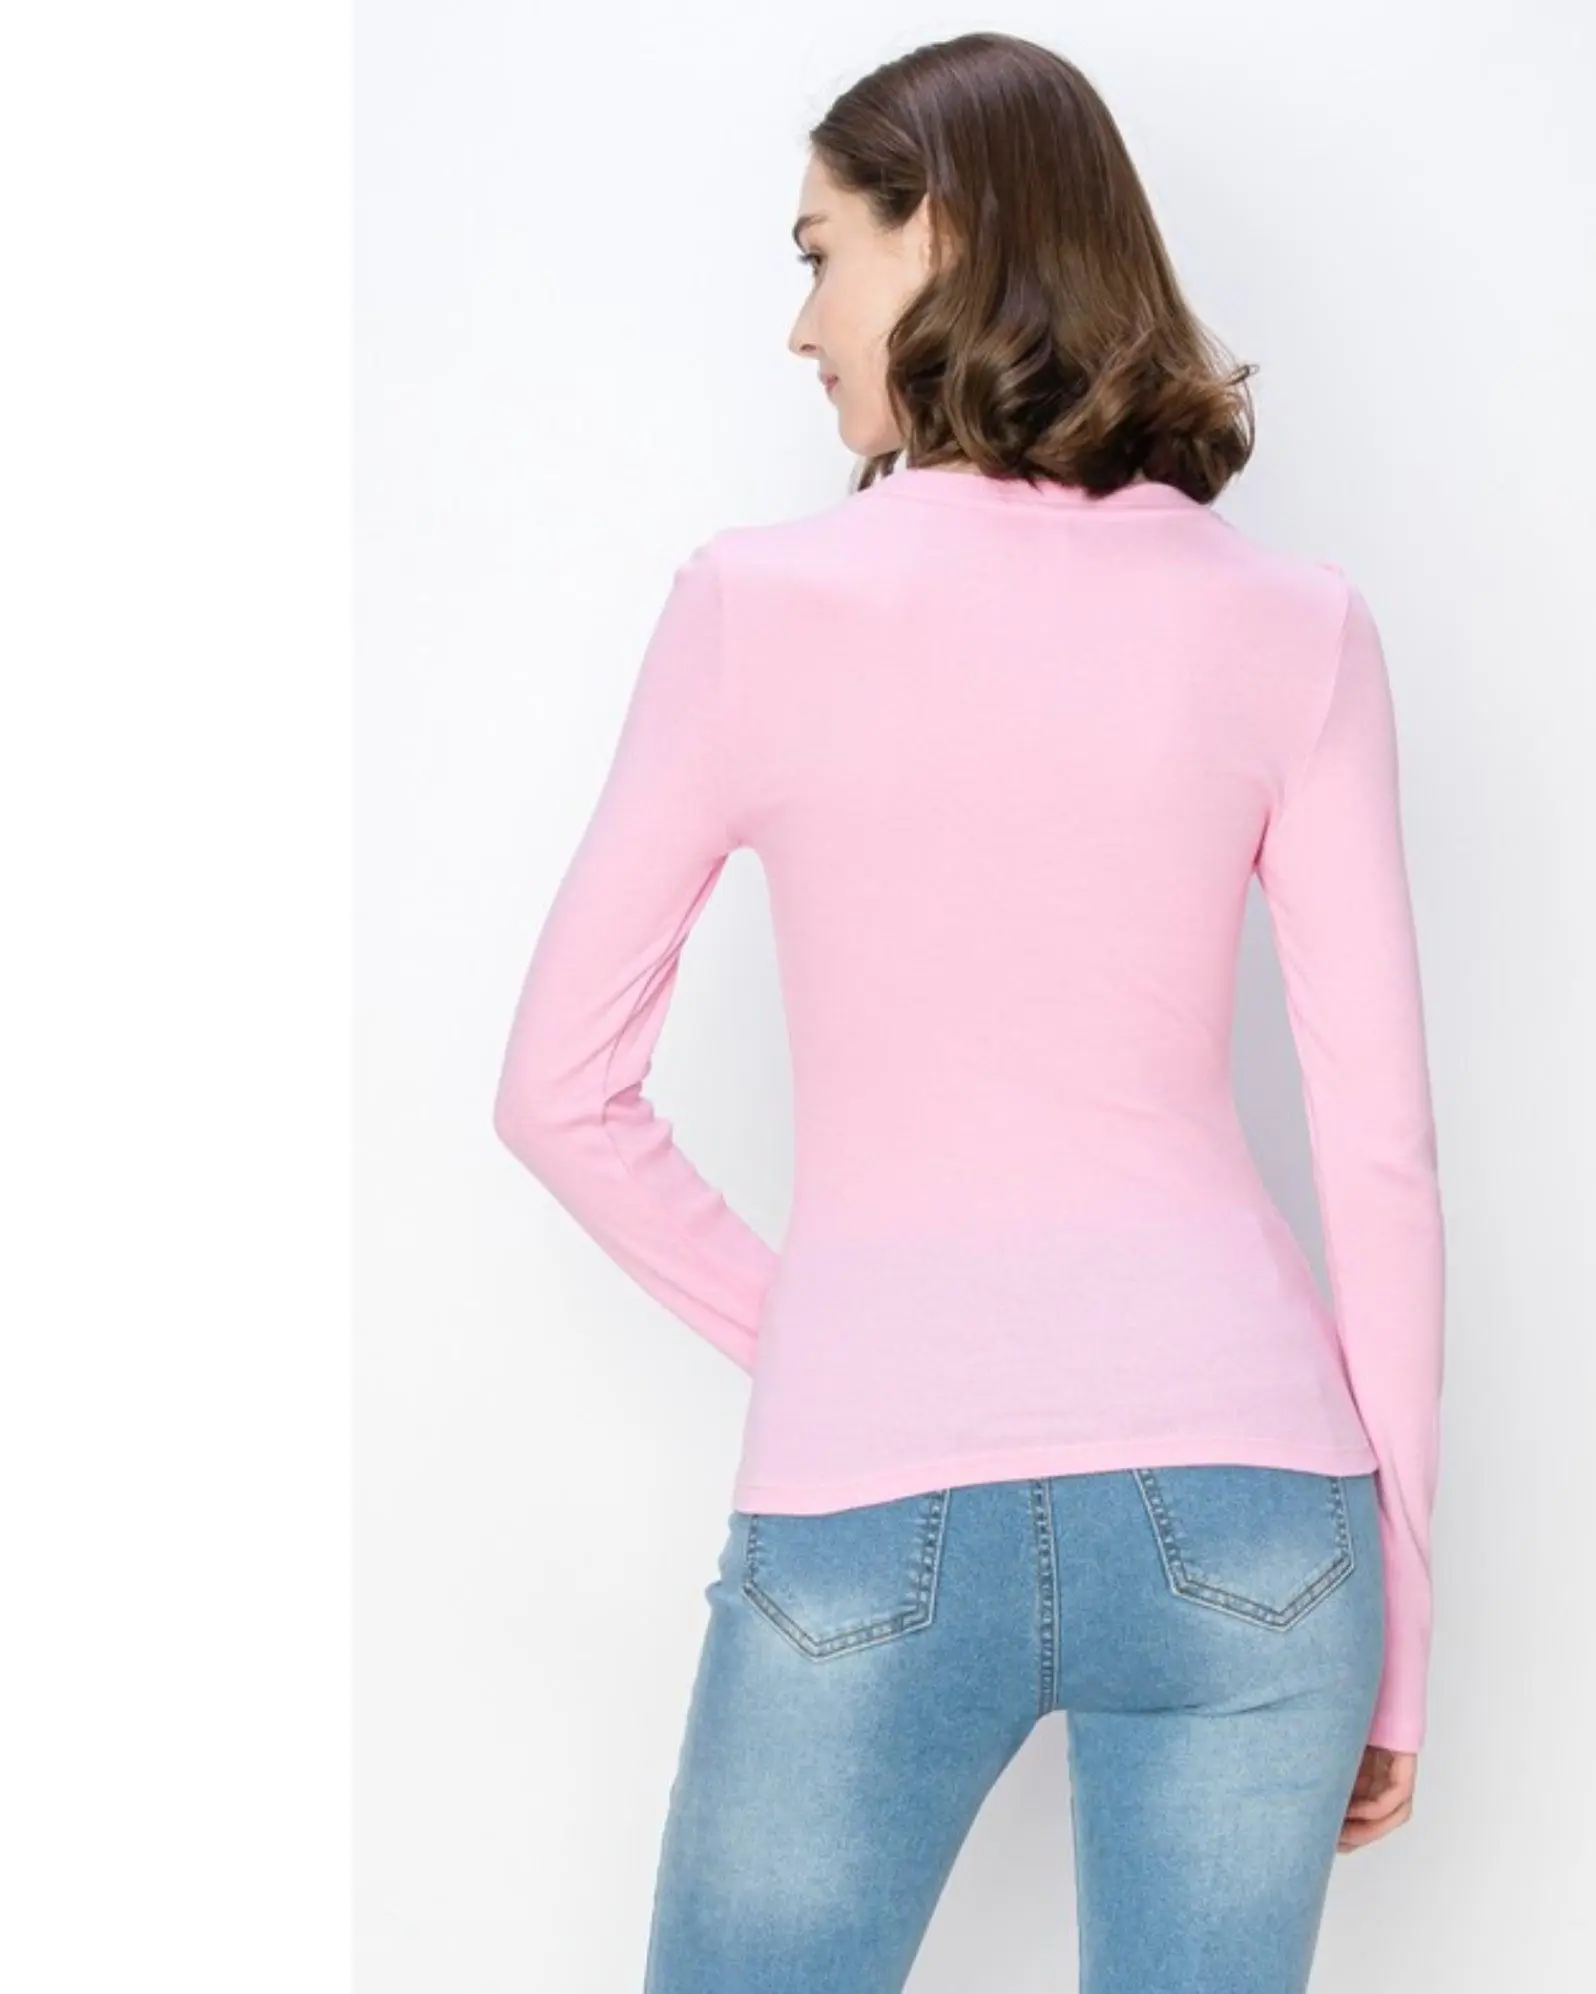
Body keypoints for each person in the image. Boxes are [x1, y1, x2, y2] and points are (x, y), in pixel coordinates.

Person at [493, 29, 1446, 1994]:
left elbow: (555, 1091)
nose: (798, 324)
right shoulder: (1295, 627)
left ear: (936, 235)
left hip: (872, 1501)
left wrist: (830, 1323)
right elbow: (1380, 1155)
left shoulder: (755, 607)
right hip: (1261, 1525)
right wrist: (1405, 1638)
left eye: (818, 254)